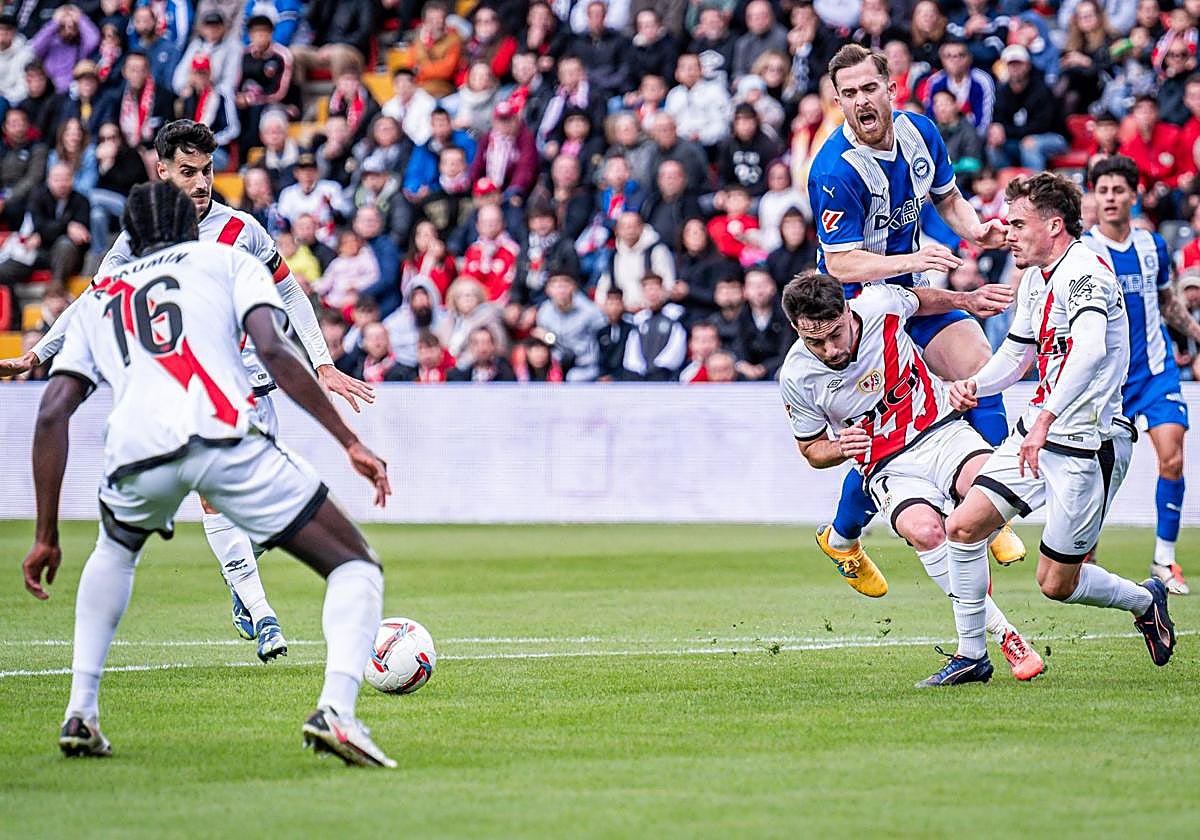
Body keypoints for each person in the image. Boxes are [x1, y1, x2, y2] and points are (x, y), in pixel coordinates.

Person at [23, 180, 396, 767]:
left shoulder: (102, 296)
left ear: (132, 235)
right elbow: (273, 351)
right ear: (189, 220)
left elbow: (51, 412)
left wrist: (45, 534)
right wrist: (348, 440)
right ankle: (337, 713)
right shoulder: (228, 257)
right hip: (222, 437)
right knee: (355, 566)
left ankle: (80, 712)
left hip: (135, 453)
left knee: (115, 554)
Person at [0, 120, 372, 662]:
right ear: (163, 171)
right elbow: (90, 305)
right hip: (192, 393)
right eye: (189, 172)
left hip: (257, 387)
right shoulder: (135, 242)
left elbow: (290, 292)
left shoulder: (241, 230)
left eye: (208, 172)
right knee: (218, 496)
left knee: (259, 514)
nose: (201, 184)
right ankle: (263, 614)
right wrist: (40, 353)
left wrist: (322, 362)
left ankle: (241, 581)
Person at [807, 44, 1022, 594]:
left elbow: (948, 200)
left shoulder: (921, 132)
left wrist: (977, 232)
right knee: (886, 432)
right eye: (848, 93)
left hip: (909, 289)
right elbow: (841, 261)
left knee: (978, 365)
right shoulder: (834, 169)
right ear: (838, 101)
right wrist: (915, 261)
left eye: (868, 88)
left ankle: (983, 505)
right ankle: (842, 537)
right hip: (856, 311)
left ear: (891, 88)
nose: (860, 101)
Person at [944, 172, 1177, 670]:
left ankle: (1145, 600)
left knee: (1056, 584)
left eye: (1018, 223)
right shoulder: (1034, 279)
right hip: (1037, 434)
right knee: (961, 528)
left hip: (1089, 444)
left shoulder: (1087, 272)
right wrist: (975, 386)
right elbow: (1015, 355)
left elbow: (1091, 350)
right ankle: (972, 656)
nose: (1008, 233)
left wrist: (1046, 418)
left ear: (1053, 226)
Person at [779, 271, 1044, 685]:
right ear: (797, 330)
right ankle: (1004, 636)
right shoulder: (796, 376)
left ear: (848, 311)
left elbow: (923, 301)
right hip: (886, 467)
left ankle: (996, 534)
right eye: (815, 341)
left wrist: (966, 300)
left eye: (835, 334)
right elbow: (812, 450)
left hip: (941, 432)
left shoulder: (879, 304)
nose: (830, 350)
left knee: (991, 482)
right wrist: (840, 447)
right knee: (925, 531)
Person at [1084, 156, 1200, 594]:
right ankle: (1083, 550)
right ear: (1094, 197)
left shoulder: (1152, 246)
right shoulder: (1085, 251)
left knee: (1171, 456)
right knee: (1094, 473)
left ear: (1133, 195)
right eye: (1103, 191)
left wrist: (1195, 332)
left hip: (1156, 372)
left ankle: (1165, 561)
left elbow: (1168, 301)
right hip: (1105, 382)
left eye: (1118, 191)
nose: (1110, 198)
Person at [534, 272, 605, 381]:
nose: (560, 290)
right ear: (548, 290)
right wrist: (549, 337)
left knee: (574, 378)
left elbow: (605, 335)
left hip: (585, 367)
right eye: (555, 285)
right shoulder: (544, 311)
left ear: (573, 287)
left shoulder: (589, 310)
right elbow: (546, 338)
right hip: (557, 365)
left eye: (565, 285)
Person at [624, 273, 687, 380]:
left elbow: (677, 347)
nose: (652, 293)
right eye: (648, 289)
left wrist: (660, 367)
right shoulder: (638, 320)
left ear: (663, 291)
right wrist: (639, 369)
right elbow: (632, 352)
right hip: (641, 378)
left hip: (667, 375)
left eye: (655, 288)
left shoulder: (676, 315)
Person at [447, 325, 516, 382]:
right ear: (470, 347)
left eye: (486, 342)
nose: (481, 348)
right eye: (476, 343)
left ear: (493, 346)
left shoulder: (505, 373)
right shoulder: (459, 376)